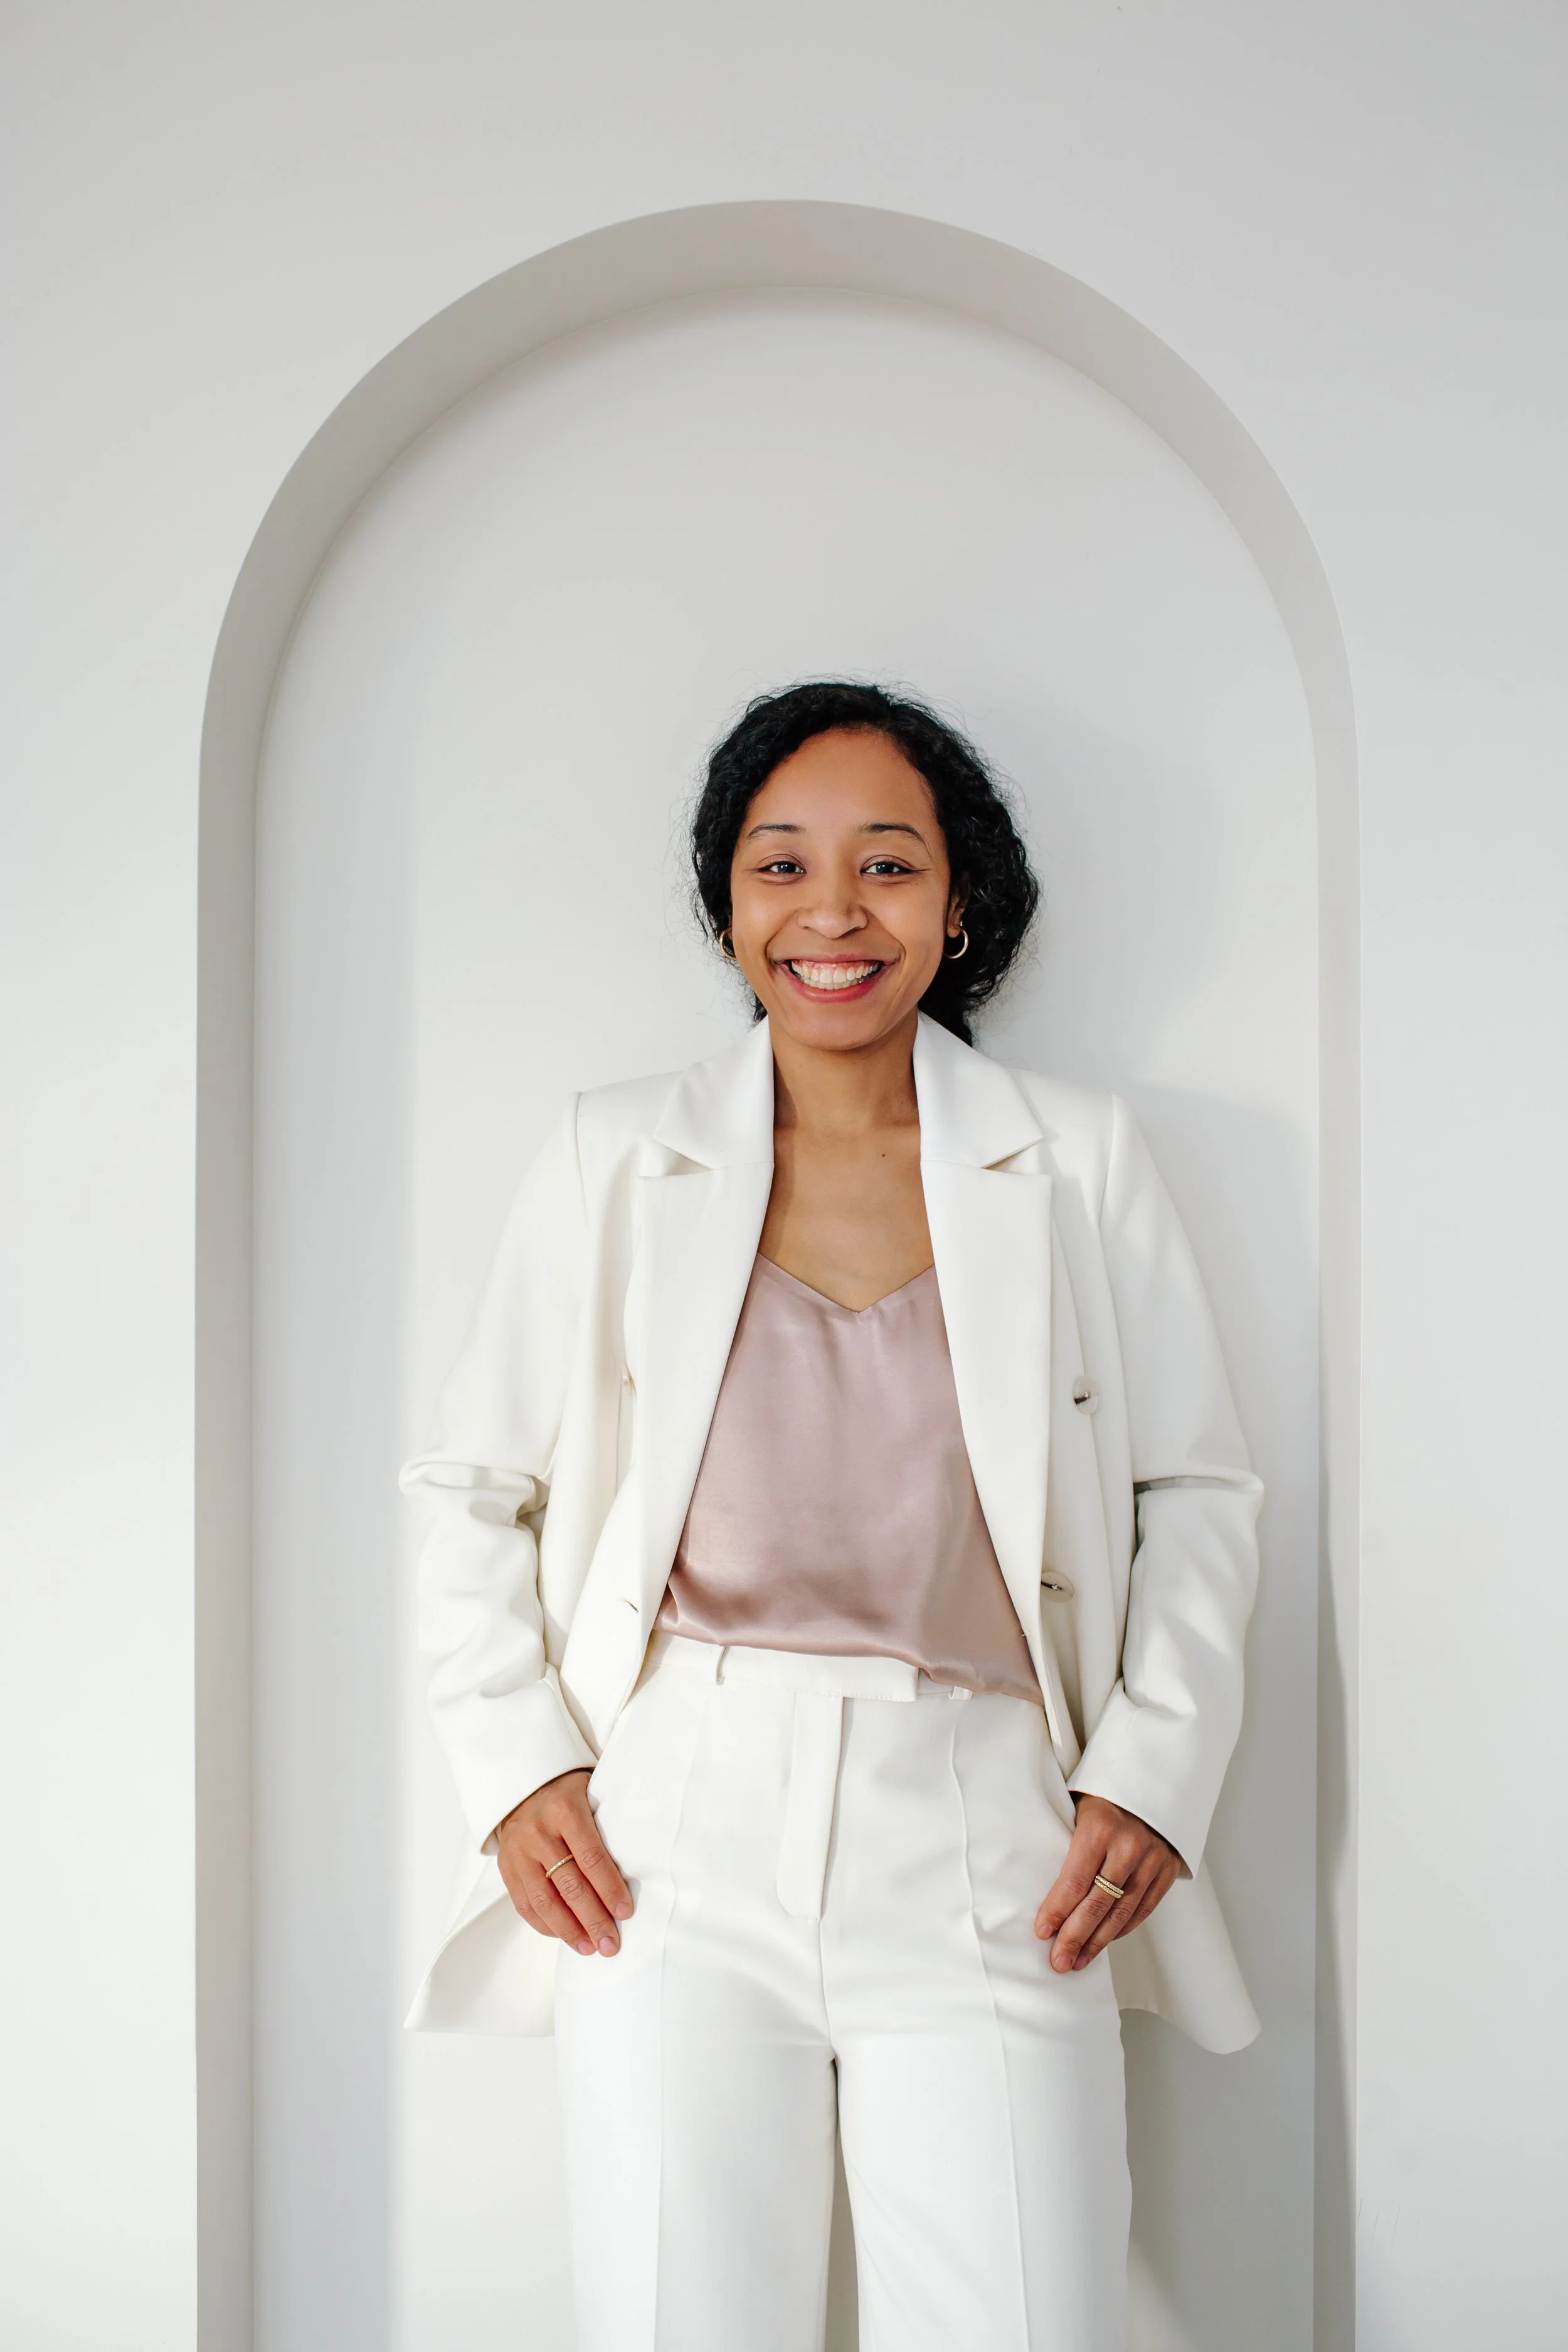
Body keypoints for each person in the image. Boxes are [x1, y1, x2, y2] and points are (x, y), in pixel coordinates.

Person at [400, 681, 1263, 2352]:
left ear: (959, 904)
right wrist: (517, 1764)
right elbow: (469, 1485)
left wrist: (1152, 1769)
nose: (831, 912)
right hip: (673, 1831)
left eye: (886, 863)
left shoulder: (1074, 1161)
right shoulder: (611, 1156)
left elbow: (1197, 1485)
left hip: (987, 1828)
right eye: (779, 864)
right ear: (729, 904)